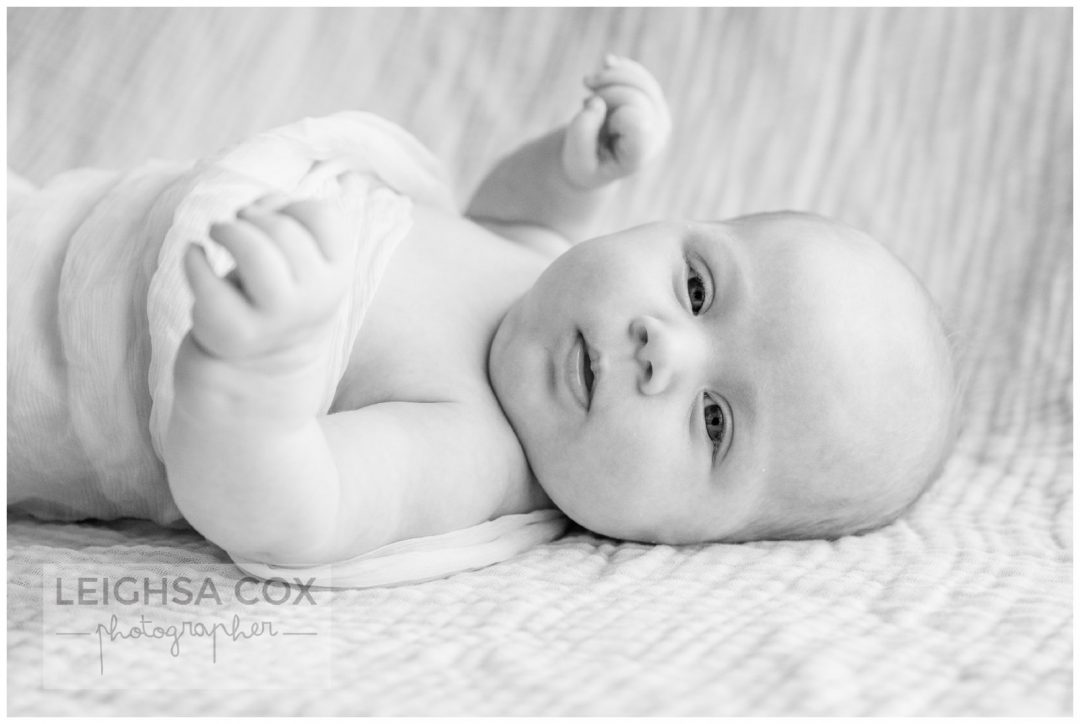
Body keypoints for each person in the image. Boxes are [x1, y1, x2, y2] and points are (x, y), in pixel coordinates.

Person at [10, 56, 958, 571]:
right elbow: (506, 218)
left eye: (714, 420)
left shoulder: (477, 455)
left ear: (686, 536)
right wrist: (574, 169)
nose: (662, 346)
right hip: (66, 219)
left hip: (42, 372)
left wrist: (251, 376)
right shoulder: (546, 271)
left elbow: (285, 508)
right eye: (698, 288)